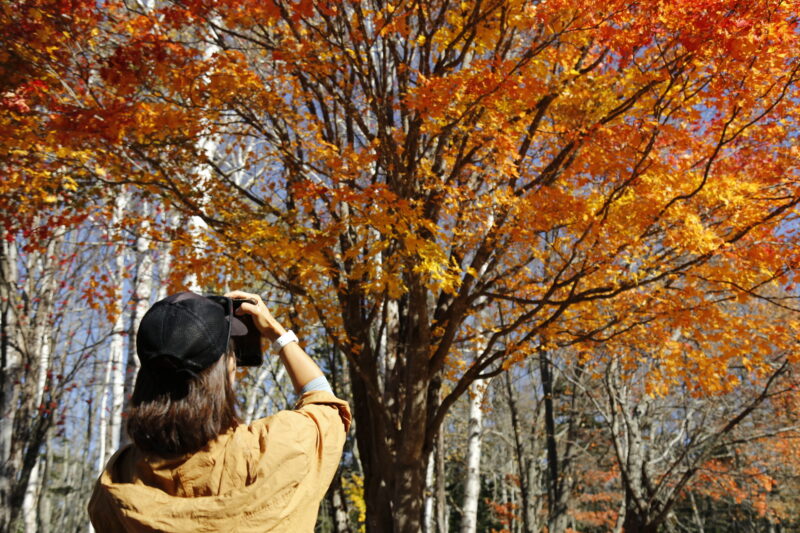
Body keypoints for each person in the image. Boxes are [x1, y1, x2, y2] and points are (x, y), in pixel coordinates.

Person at [88, 290, 350, 532]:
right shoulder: (275, 449)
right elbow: (323, 401)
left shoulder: (118, 480)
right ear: (225, 369)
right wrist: (276, 332)